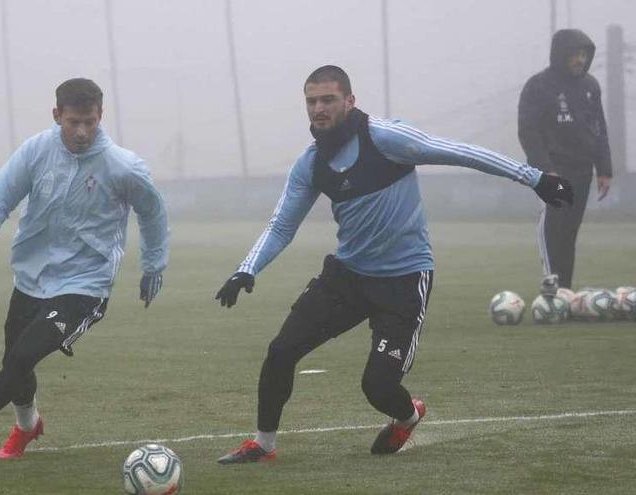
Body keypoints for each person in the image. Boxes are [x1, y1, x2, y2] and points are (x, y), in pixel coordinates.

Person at [214, 65, 573, 463]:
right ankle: (262, 446)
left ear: (350, 101)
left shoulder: (386, 138)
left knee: (378, 387)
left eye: (328, 99)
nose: (319, 108)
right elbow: (281, 226)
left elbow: (459, 152)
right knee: (281, 351)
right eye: (312, 101)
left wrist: (535, 178)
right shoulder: (311, 163)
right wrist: (246, 268)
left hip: (403, 282)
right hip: (347, 278)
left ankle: (407, 415)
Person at [0, 78, 169, 469]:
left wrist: (154, 263)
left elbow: (153, 213)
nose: (83, 131)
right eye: (73, 122)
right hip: (31, 279)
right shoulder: (37, 151)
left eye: (89, 121)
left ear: (100, 115)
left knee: (21, 357)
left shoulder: (123, 166)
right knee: (15, 364)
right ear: (57, 116)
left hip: (84, 288)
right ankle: (28, 425)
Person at [518, 28, 612, 294]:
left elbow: (599, 129)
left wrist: (604, 169)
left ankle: (565, 292)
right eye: (575, 54)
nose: (580, 60)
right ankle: (551, 285)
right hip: (554, 173)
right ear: (561, 55)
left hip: (583, 172)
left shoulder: (591, 86)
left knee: (570, 230)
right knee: (553, 226)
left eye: (584, 54)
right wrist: (546, 169)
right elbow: (528, 131)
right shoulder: (538, 86)